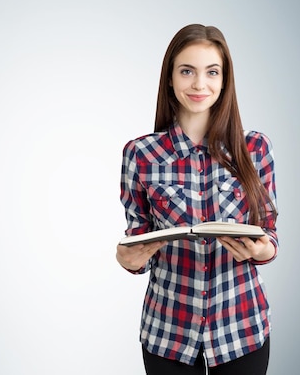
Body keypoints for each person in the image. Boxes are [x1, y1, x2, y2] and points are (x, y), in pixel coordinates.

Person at [116, 24, 278, 375]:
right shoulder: (140, 154)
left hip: (241, 327)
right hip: (169, 331)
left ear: (224, 81)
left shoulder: (255, 150)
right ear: (170, 78)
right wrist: (129, 258)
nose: (199, 84)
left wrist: (261, 250)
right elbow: (137, 238)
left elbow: (269, 234)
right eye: (187, 71)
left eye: (212, 72)